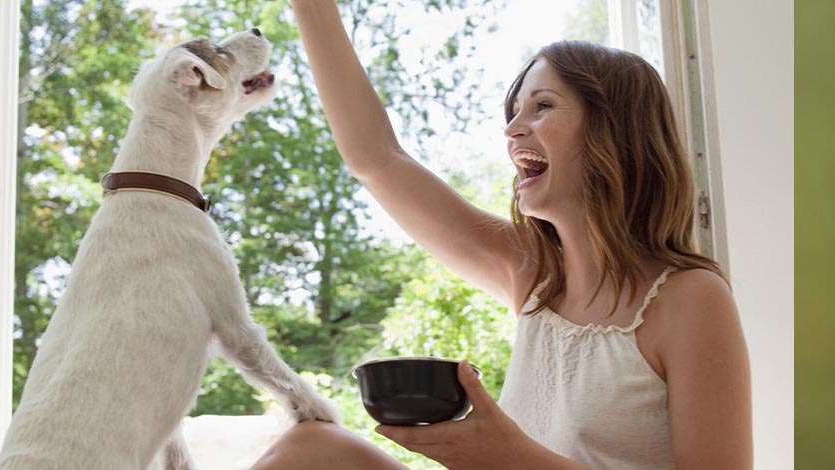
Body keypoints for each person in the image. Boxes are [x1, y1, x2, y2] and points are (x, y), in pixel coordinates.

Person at [252, 1, 753, 469]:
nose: (512, 128)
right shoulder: (532, 275)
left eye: (542, 106)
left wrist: (514, 458)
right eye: (514, 110)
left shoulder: (689, 299)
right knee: (311, 447)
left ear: (613, 131)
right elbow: (377, 159)